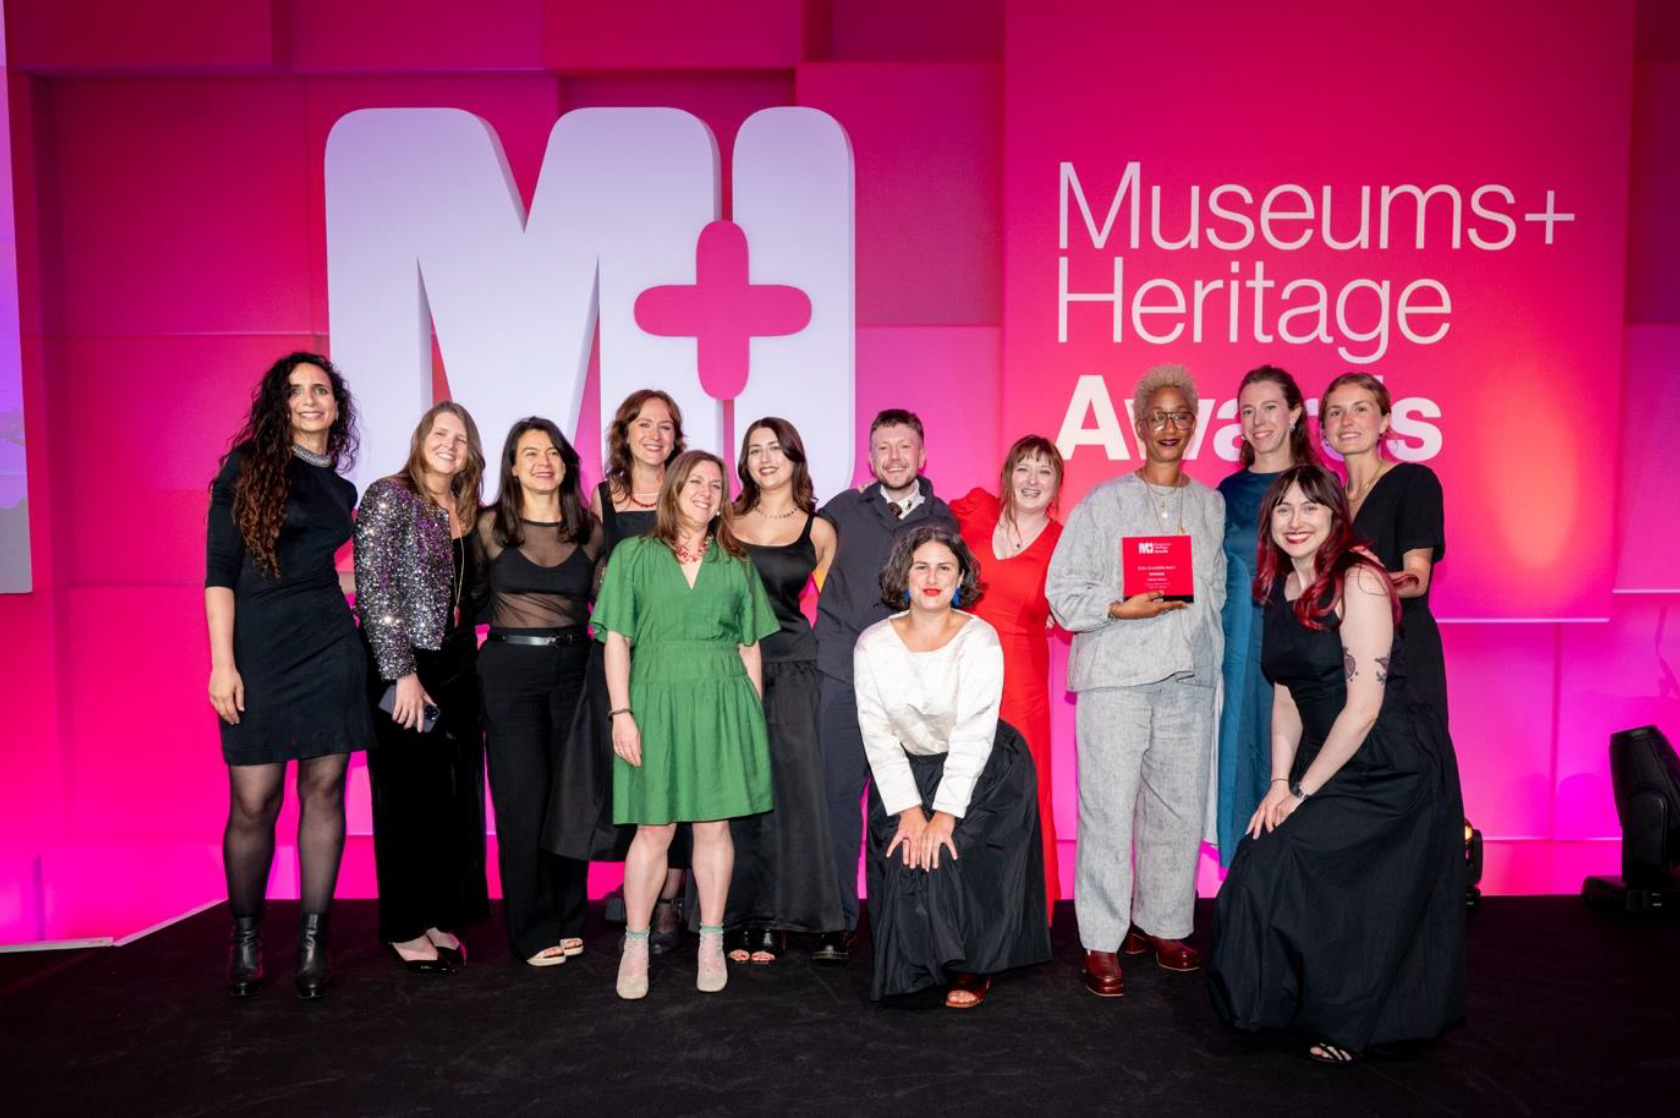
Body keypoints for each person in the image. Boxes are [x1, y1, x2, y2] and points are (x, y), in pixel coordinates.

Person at [1207, 464, 1466, 1063]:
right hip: (1334, 757)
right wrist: (1277, 784)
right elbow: (1287, 695)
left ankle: (1353, 1021)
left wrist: (1303, 791)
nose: (1296, 522)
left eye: (1311, 509)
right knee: (1258, 860)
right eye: (1284, 509)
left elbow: (1365, 707)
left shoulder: (1360, 580)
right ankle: (1285, 1006)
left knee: (1311, 864)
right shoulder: (1278, 587)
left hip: (1393, 763)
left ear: (1334, 518)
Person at [1045, 364, 1226, 998]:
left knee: (1177, 810)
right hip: (1116, 679)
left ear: (1194, 425)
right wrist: (1123, 605)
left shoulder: (1211, 504)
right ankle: (1101, 937)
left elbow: (1217, 595)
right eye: (1158, 416)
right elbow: (1062, 593)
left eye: (1181, 416)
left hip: (1188, 680)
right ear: (1138, 425)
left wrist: (1211, 670)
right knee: (1107, 810)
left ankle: (1164, 923)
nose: (1169, 426)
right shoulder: (1104, 503)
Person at [205, 351, 371, 999]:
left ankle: (312, 944)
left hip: (330, 647)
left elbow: (322, 570)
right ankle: (246, 938)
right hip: (259, 651)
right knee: (253, 803)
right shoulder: (246, 467)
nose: (310, 400)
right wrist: (223, 663)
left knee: (325, 794)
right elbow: (220, 573)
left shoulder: (341, 487)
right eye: (297, 391)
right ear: (280, 403)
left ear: (337, 406)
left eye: (321, 390)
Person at [595, 450, 780, 999]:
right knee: (653, 829)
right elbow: (617, 643)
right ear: (674, 487)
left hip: (723, 701)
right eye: (696, 480)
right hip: (653, 700)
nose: (706, 490)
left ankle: (711, 940)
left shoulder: (736, 560)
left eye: (716, 483)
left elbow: (750, 647)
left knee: (713, 828)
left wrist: (752, 718)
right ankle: (635, 941)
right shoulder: (633, 555)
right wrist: (621, 713)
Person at [855, 526, 1051, 1007]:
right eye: (921, 565)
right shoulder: (873, 643)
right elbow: (877, 734)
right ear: (903, 574)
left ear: (961, 578)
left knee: (951, 848)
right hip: (905, 769)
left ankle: (972, 964)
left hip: (983, 769)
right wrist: (909, 811)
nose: (932, 577)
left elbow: (975, 732)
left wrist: (944, 814)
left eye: (945, 567)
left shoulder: (979, 638)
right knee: (908, 850)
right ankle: (918, 959)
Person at [543, 389, 689, 953]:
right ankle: (638, 896)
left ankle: (671, 902)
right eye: (643, 424)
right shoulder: (603, 498)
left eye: (666, 426)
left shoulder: (694, 490)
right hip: (623, 660)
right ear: (623, 434)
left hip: (683, 657)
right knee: (627, 778)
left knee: (680, 780)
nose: (655, 434)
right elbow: (588, 570)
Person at [812, 408, 958, 962]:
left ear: (923, 456)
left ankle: (900, 917)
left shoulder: (944, 519)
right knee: (837, 799)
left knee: (905, 803)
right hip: (843, 676)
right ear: (869, 458)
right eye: (884, 448)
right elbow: (785, 547)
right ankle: (836, 918)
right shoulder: (841, 511)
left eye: (905, 447)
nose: (894, 457)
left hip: (913, 683)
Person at [355, 402, 491, 974]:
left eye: (461, 439)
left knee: (449, 800)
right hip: (406, 669)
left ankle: (436, 913)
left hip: (458, 665)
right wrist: (400, 672)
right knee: (406, 799)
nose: (450, 445)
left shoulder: (463, 509)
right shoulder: (390, 495)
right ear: (421, 438)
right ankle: (403, 926)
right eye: (441, 434)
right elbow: (374, 586)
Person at [471, 417, 604, 967]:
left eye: (552, 452)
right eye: (530, 453)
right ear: (512, 466)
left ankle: (571, 916)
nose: (543, 462)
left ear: (566, 463)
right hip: (509, 671)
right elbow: (465, 597)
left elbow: (611, 604)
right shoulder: (487, 527)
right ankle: (530, 927)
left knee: (570, 800)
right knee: (523, 802)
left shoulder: (592, 529)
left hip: (576, 667)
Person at [718, 417, 844, 962]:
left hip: (793, 670)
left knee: (790, 795)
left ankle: (775, 917)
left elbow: (835, 613)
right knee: (730, 792)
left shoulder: (818, 530)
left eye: (776, 448)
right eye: (754, 449)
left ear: (795, 458)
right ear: (743, 463)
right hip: (724, 670)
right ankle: (735, 915)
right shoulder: (722, 521)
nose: (765, 457)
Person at [950, 436, 1066, 920]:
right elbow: (920, 526)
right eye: (1024, 468)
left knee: (1022, 789)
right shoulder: (975, 510)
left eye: (1044, 471)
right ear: (1008, 475)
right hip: (960, 673)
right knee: (961, 786)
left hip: (1022, 681)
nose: (1032, 480)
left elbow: (1074, 604)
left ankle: (1024, 908)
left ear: (1058, 484)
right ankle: (960, 901)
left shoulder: (1065, 540)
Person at [1215, 366, 1320, 866]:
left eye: (1270, 407)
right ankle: (1246, 891)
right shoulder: (1226, 492)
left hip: (1307, 641)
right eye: (1247, 411)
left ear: (1296, 412)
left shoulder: (1322, 486)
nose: (1258, 421)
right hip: (1240, 649)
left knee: (1304, 761)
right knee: (1242, 760)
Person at [1322, 372, 1449, 727]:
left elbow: (1416, 580)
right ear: (1323, 430)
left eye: (1360, 409)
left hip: (1403, 654)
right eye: (1335, 412)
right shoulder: (1326, 501)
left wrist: (1347, 593)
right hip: (1344, 657)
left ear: (1385, 422)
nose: (1346, 421)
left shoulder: (1414, 482)